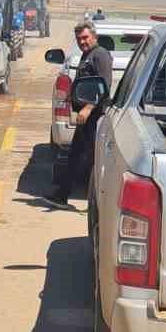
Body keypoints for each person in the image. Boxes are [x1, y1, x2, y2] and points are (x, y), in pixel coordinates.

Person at [50, 19, 113, 205]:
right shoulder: (88, 55)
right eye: (79, 39)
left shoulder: (100, 55)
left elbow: (104, 85)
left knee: (95, 160)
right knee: (76, 156)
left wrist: (87, 108)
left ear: (94, 37)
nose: (82, 42)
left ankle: (100, 202)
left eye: (85, 38)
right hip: (84, 120)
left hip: (94, 117)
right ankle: (61, 196)